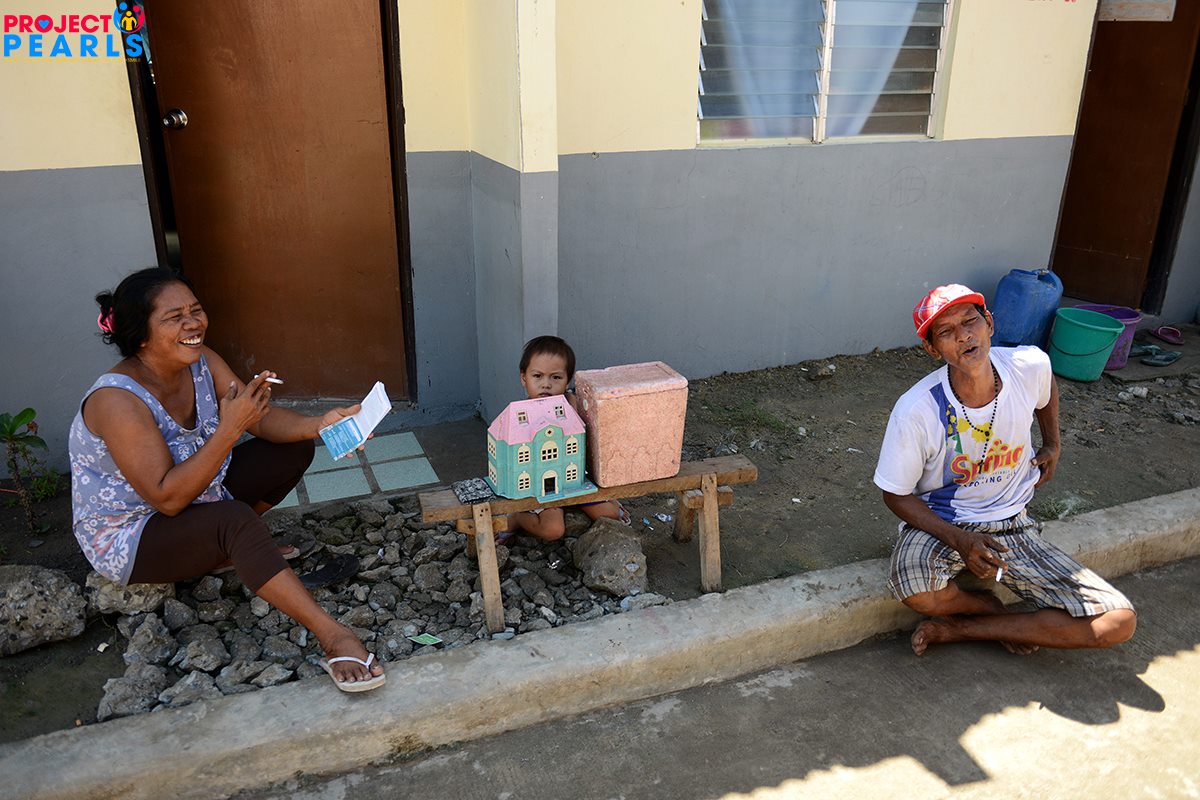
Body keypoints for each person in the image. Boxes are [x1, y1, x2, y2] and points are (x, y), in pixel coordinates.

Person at [70, 268, 384, 692]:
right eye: (174, 317)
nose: (193, 323)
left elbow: (263, 420)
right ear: (139, 335)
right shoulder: (116, 401)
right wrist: (229, 429)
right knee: (233, 520)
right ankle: (333, 636)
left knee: (292, 449)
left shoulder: (202, 361)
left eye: (196, 310)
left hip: (198, 495)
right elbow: (166, 498)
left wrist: (320, 425)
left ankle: (229, 550)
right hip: (134, 532)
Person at [873, 284, 1136, 656]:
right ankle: (989, 609)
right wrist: (959, 539)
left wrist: (1053, 443)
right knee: (914, 587)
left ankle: (965, 630)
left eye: (971, 321)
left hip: (1011, 522)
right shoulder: (917, 409)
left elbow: (1046, 388)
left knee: (1117, 621)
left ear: (990, 324)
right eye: (946, 332)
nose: (964, 335)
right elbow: (895, 494)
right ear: (933, 350)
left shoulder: (1028, 365)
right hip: (944, 521)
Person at [503, 336, 630, 542]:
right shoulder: (522, 414)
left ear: (568, 379)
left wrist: (606, 492)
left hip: (573, 480)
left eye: (556, 377)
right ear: (523, 378)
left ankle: (575, 504)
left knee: (611, 514)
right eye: (537, 376)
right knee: (552, 530)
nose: (546, 384)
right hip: (542, 485)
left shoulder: (574, 405)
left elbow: (593, 444)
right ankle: (518, 518)